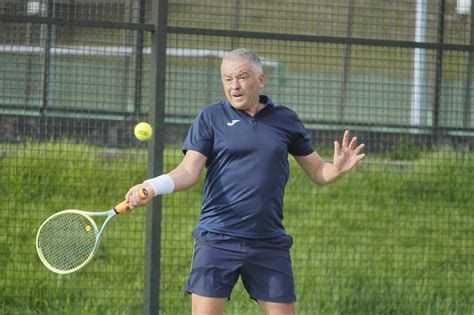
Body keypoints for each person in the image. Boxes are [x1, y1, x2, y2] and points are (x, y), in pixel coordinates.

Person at [125, 48, 365, 315]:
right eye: (227, 79)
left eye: (241, 77)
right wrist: (152, 186)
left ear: (260, 80)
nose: (234, 86)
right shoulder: (211, 118)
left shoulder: (285, 119)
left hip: (268, 241)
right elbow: (188, 171)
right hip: (217, 238)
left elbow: (319, 171)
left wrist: (339, 169)